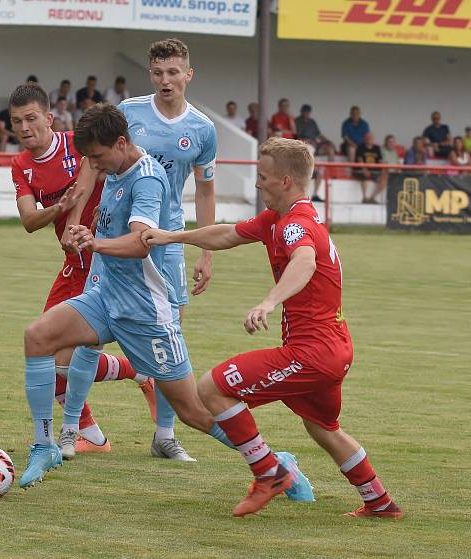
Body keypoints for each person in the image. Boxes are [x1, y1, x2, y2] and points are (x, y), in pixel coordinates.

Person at [64, 40, 316, 498]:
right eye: (158, 71)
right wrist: (79, 221)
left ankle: (165, 436)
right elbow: (91, 166)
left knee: (171, 338)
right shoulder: (128, 112)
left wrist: (205, 253)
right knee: (87, 326)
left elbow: (203, 192)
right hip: (118, 238)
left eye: (173, 72)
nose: (165, 80)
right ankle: (69, 429)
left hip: (168, 245)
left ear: (188, 75)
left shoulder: (202, 128)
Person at [142, 137, 402, 519]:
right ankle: (379, 501)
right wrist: (172, 237)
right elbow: (228, 233)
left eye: (262, 177)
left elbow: (305, 262)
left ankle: (269, 474)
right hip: (336, 347)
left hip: (312, 352)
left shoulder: (296, 225)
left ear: (285, 181)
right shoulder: (279, 218)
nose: (257, 183)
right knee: (323, 427)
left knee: (213, 388)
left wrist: (268, 301)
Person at [9, 85, 156, 462]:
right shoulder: (21, 165)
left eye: (31, 118)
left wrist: (74, 216)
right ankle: (97, 425)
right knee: (47, 352)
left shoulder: (80, 143)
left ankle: (134, 382)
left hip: (107, 258)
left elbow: (95, 173)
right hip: (74, 262)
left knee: (65, 353)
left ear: (49, 118)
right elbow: (29, 221)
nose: (25, 127)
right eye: (16, 121)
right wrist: (62, 207)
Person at [295, 104, 335, 202]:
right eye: (305, 111)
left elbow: (319, 135)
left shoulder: (312, 122)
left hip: (315, 144)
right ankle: (310, 167)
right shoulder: (297, 121)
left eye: (308, 112)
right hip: (304, 145)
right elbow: (295, 136)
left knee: (330, 149)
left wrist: (330, 141)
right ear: (301, 112)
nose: (306, 113)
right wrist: (307, 141)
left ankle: (330, 173)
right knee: (310, 149)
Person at [354, 132, 387, 204]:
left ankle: (372, 198)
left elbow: (380, 161)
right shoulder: (360, 147)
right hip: (361, 170)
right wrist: (364, 169)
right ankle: (364, 198)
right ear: (364, 139)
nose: (369, 139)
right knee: (364, 177)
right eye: (368, 138)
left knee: (384, 179)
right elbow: (360, 160)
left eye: (371, 138)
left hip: (375, 171)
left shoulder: (377, 148)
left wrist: (383, 170)